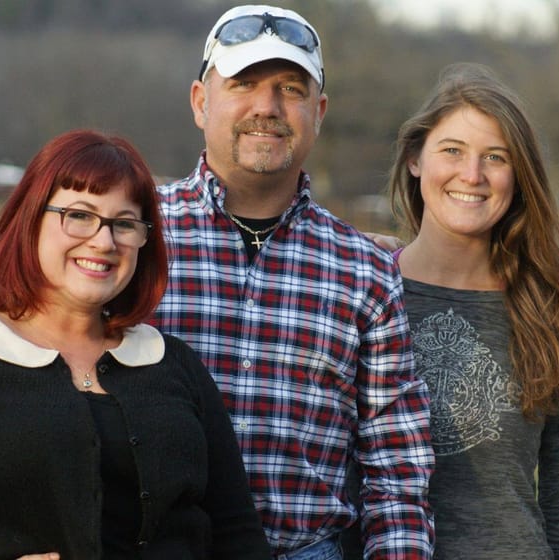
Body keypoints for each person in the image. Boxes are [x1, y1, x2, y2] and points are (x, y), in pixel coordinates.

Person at [0, 129, 271, 559]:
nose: (104, 242)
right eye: (79, 215)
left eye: (125, 224)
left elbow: (237, 532)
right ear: (31, 219)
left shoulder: (174, 364)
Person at [151, 4, 435, 559]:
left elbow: (396, 469)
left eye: (290, 88)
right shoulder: (133, 240)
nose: (267, 106)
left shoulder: (366, 272)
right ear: (200, 102)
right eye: (244, 83)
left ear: (318, 111)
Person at [385, 62, 559, 559]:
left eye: (495, 157)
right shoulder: (361, 293)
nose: (472, 175)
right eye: (452, 150)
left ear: (519, 175)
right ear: (415, 158)